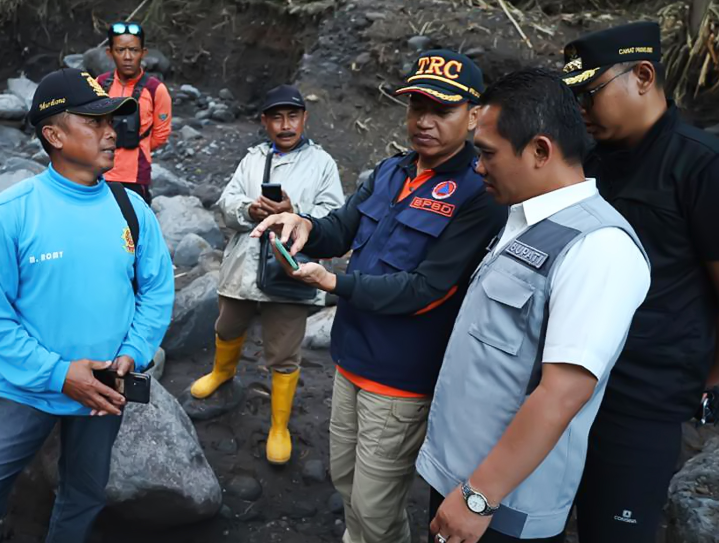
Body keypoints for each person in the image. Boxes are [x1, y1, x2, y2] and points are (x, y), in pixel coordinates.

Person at [253, 51, 506, 543]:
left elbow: (428, 289)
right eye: (416, 108)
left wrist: (333, 284)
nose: (424, 121)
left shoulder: (479, 194)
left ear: (475, 116)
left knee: (375, 501)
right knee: (347, 480)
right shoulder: (392, 170)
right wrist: (303, 222)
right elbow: (342, 228)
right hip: (350, 357)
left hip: (400, 377)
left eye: (441, 110)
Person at [0, 68, 175, 543]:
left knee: (84, 495)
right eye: (95, 122)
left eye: (113, 121)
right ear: (54, 135)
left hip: (106, 384)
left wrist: (133, 353)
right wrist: (59, 373)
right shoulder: (10, 214)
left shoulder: (132, 209)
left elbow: (156, 289)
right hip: (23, 386)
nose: (112, 132)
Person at [416, 68, 650, 543]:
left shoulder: (600, 247)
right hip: (459, 482)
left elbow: (563, 392)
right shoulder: (523, 217)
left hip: (499, 508)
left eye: (486, 154)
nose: (476, 167)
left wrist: (479, 495)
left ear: (540, 150)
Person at [561, 22, 719, 542]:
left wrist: (705, 386)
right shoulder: (590, 161)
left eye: (591, 91)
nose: (581, 106)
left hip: (643, 402)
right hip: (569, 388)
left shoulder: (699, 165)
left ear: (644, 76)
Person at [189, 84, 344, 465]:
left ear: (304, 119)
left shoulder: (322, 163)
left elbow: (336, 216)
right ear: (265, 122)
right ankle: (221, 373)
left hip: (291, 271)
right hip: (243, 266)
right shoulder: (252, 158)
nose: (285, 124)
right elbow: (225, 205)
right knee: (227, 326)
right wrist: (249, 210)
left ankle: (279, 425)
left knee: (284, 352)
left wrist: (295, 210)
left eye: (292, 116)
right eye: (277, 117)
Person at [96, 21, 172, 204]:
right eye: (120, 50)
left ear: (143, 53)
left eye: (134, 50)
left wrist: (139, 145)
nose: (128, 57)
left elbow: (161, 135)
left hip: (136, 177)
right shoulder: (99, 84)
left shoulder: (156, 90)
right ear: (110, 53)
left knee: (133, 230)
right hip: (100, 173)